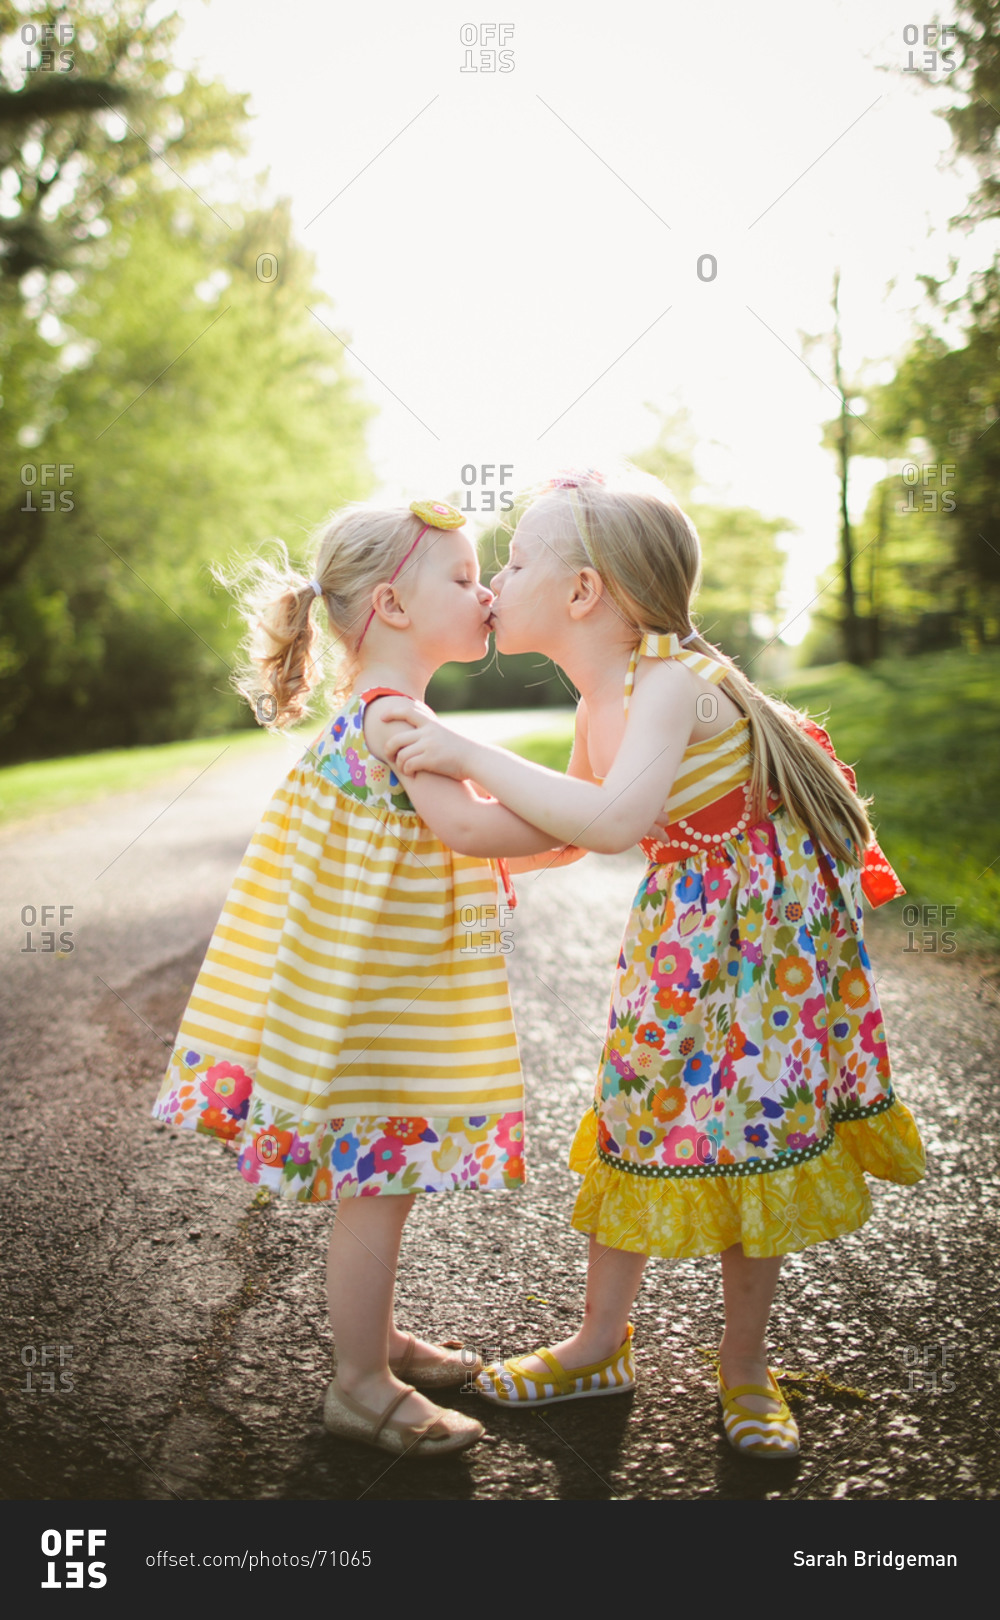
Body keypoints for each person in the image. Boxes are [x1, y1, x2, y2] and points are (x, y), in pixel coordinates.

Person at [380, 471, 926, 1460]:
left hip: (764, 957)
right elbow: (562, 831)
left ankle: (747, 1370)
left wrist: (460, 745)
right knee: (637, 1111)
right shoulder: (604, 699)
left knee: (751, 1132)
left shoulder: (669, 681)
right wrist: (433, 807)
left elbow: (615, 818)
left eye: (512, 561)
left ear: (581, 593)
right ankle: (597, 1344)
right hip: (681, 946)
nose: (496, 580)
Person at [151, 498, 572, 1459]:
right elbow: (465, 829)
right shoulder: (393, 717)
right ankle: (358, 1383)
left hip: (375, 987)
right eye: (464, 580)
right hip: (379, 1004)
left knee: (380, 1182)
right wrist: (584, 819)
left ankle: (374, 1340)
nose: (484, 594)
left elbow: (451, 834)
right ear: (391, 605)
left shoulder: (385, 712)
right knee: (377, 1184)